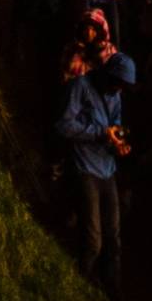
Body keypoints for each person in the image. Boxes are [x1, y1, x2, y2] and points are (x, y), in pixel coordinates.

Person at [53, 18, 131, 268]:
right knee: (93, 239)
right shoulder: (80, 87)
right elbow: (64, 125)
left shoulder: (115, 96)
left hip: (107, 169)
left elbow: (116, 125)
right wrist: (99, 133)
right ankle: (79, 279)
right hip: (85, 167)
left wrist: (118, 143)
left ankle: (111, 292)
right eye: (118, 83)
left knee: (114, 238)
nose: (119, 90)